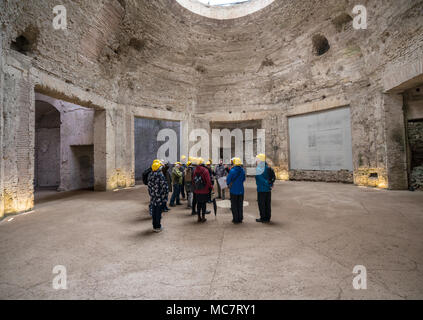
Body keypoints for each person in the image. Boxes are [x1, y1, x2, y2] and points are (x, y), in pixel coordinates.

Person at [147, 159, 168, 232]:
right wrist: (165, 195)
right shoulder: (160, 174)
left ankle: (154, 226)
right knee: (158, 212)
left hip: (153, 197)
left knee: (154, 211)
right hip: (159, 197)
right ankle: (158, 227)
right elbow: (164, 186)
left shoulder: (150, 174)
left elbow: (149, 186)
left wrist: (151, 194)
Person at [255, 154, 275, 223]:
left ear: (260, 160)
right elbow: (272, 177)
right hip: (268, 190)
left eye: (257, 159)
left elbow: (261, 180)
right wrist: (271, 184)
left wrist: (268, 184)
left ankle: (263, 218)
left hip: (261, 189)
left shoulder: (258, 169)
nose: (256, 160)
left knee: (262, 204)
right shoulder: (268, 167)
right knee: (267, 204)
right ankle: (268, 217)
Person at [226, 157, 246, 224]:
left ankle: (235, 219)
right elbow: (244, 179)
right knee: (240, 205)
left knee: (234, 205)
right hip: (241, 190)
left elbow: (228, 180)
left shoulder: (232, 171)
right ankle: (240, 218)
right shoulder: (243, 170)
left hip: (233, 191)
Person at [193, 157, 212, 222]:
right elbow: (208, 181)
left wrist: (195, 188)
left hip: (197, 190)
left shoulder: (195, 170)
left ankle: (199, 217)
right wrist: (208, 188)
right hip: (204, 190)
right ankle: (203, 217)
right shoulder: (205, 170)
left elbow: (193, 180)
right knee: (203, 204)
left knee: (198, 204)